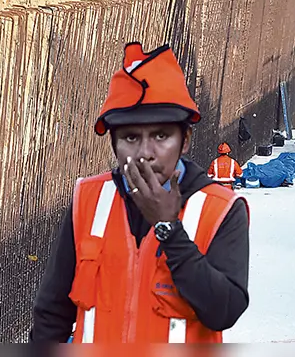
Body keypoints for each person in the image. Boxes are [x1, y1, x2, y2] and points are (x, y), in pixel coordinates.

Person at [30, 42, 250, 343]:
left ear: (184, 140)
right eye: (131, 137)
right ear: (114, 145)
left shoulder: (222, 209)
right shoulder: (88, 200)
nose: (146, 153)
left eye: (161, 136)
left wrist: (170, 230)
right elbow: (53, 313)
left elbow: (224, 311)